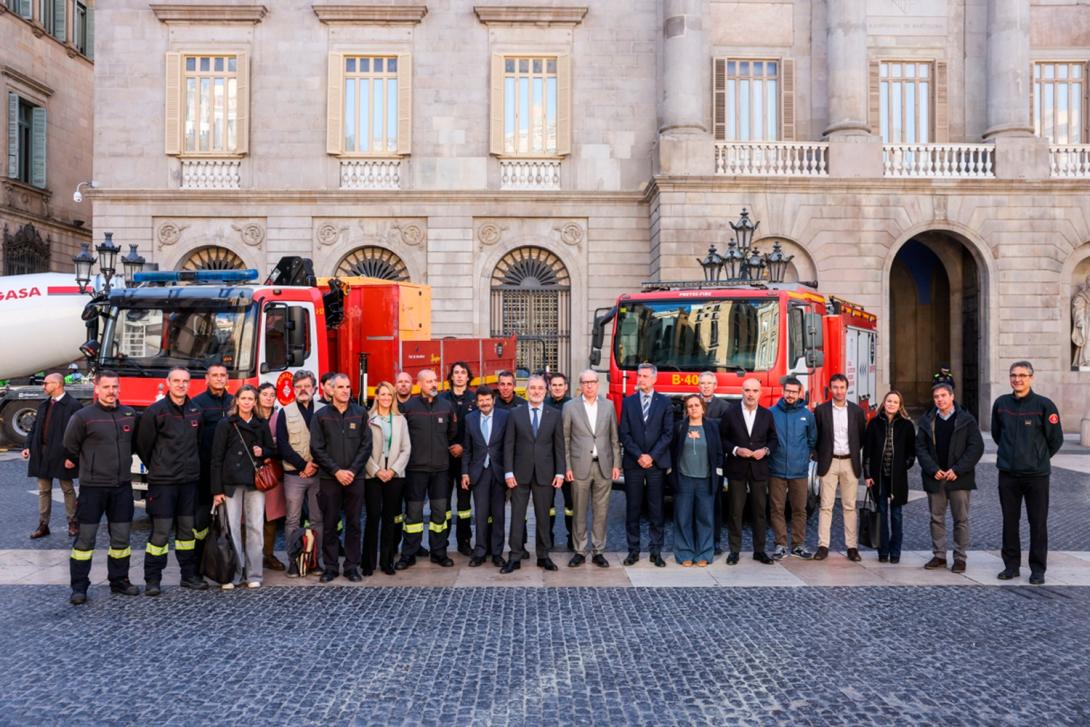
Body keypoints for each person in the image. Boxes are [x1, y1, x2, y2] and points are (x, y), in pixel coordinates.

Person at [63, 371, 140, 604]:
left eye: (115, 387)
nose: (111, 392)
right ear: (97, 389)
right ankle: (79, 586)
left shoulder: (129, 415)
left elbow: (135, 445)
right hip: (92, 489)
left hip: (122, 488)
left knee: (121, 539)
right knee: (85, 540)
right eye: (106, 387)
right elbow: (70, 446)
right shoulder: (83, 417)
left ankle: (119, 581)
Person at [135, 367, 208, 595]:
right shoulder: (155, 412)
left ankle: (188, 576)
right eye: (176, 381)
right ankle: (153, 579)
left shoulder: (196, 410)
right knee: (161, 531)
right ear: (168, 382)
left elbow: (200, 444)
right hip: (163, 482)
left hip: (188, 482)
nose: (181, 385)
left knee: (187, 532)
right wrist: (159, 465)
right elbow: (144, 446)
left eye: (185, 381)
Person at [991, 361, 1063, 585]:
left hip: (1036, 476)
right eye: (1014, 375)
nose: (1017, 379)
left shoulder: (1044, 405)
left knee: (1038, 522)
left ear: (1031, 378)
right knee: (1009, 522)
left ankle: (1038, 568)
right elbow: (996, 434)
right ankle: (1011, 566)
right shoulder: (1001, 404)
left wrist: (1037, 459)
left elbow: (1055, 439)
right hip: (1008, 474)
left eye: (1022, 375)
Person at [210, 385, 276, 589]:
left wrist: (262, 451)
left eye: (251, 399)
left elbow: (271, 451)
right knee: (232, 529)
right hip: (230, 482)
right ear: (237, 401)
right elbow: (216, 458)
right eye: (244, 398)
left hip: (255, 481)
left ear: (255, 403)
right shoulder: (225, 424)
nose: (247, 402)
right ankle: (234, 573)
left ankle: (254, 573)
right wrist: (217, 490)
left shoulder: (261, 424)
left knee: (255, 527)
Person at [309, 373, 371, 582]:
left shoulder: (361, 413)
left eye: (348, 386)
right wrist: (336, 471)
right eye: (340, 387)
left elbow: (366, 445)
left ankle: (352, 566)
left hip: (356, 478)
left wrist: (352, 471)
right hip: (329, 478)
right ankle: (331, 567)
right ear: (331, 390)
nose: (345, 390)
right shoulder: (321, 415)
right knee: (330, 524)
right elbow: (316, 448)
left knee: (354, 523)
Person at [915, 383, 984, 573]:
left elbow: (975, 448)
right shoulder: (927, 420)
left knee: (960, 519)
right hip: (935, 477)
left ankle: (960, 558)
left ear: (952, 396)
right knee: (936, 518)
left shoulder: (966, 420)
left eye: (943, 395)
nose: (940, 399)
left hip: (958, 478)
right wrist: (932, 469)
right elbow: (920, 448)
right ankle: (939, 556)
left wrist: (958, 470)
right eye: (936, 396)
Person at [501, 375, 565, 573]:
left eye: (540, 388)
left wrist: (560, 472)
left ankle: (543, 556)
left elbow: (559, 446)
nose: (536, 391)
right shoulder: (515, 414)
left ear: (545, 391)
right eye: (532, 388)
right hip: (519, 473)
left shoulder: (554, 414)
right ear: (526, 391)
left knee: (543, 516)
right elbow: (508, 445)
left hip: (545, 473)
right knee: (517, 516)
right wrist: (508, 472)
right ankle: (514, 556)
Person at [398, 369, 458, 569]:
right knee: (413, 514)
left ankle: (438, 552)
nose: (434, 384)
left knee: (439, 513)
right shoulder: (408, 408)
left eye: (435, 380)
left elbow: (451, 434)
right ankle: (409, 553)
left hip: (441, 470)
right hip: (415, 470)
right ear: (420, 383)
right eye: (429, 381)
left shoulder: (446, 406)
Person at [562, 370, 619, 568]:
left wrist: (616, 465)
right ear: (580, 384)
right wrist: (567, 466)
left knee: (601, 511)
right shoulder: (570, 407)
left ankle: (598, 551)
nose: (589, 385)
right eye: (585, 382)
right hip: (579, 467)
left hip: (603, 465)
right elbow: (566, 440)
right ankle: (579, 550)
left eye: (592, 382)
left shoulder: (608, 406)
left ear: (597, 383)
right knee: (579, 510)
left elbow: (614, 438)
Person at [619, 362, 673, 567]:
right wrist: (639, 455)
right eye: (639, 376)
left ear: (654, 378)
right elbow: (624, 432)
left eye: (645, 376)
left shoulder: (665, 403)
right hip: (634, 463)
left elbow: (668, 433)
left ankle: (656, 551)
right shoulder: (629, 402)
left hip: (656, 464)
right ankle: (633, 550)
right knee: (633, 508)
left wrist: (652, 456)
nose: (640, 379)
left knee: (656, 509)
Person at [721, 377, 778, 565]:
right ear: (741, 392)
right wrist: (736, 450)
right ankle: (734, 551)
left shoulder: (767, 414)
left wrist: (765, 450)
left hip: (759, 469)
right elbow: (723, 439)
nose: (750, 394)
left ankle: (759, 550)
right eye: (747, 390)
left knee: (760, 512)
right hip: (737, 468)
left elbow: (773, 439)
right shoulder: (730, 413)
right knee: (735, 512)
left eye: (754, 391)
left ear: (760, 393)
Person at [813, 373, 867, 562]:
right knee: (825, 506)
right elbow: (816, 437)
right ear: (830, 389)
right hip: (829, 461)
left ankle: (851, 547)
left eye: (842, 387)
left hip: (849, 462)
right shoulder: (821, 411)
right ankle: (822, 546)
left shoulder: (856, 412)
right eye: (835, 387)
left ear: (847, 388)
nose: (838, 391)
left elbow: (860, 437)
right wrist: (819, 456)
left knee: (850, 506)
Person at [276, 370, 324, 577]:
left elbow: (329, 442)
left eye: (307, 386)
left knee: (317, 520)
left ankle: (315, 561)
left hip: (320, 473)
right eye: (299, 387)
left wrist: (314, 465)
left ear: (314, 388)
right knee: (292, 521)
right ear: (293, 390)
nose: (303, 390)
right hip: (294, 476)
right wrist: (304, 465)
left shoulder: (324, 410)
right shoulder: (284, 412)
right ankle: (293, 562)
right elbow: (283, 445)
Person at [23, 372, 81, 539]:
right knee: (44, 490)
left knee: (67, 489)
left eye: (46, 383)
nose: (43, 386)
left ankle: (72, 523)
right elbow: (34, 429)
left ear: (56, 384)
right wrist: (27, 446)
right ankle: (43, 525)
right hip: (42, 454)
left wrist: (73, 458)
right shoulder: (44, 405)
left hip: (63, 456)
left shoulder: (73, 406)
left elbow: (78, 435)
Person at [863, 390, 917, 564]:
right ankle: (883, 550)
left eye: (895, 401)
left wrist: (904, 465)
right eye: (889, 401)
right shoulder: (874, 424)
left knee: (896, 515)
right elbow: (868, 452)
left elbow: (911, 452)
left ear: (900, 405)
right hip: (879, 477)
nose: (891, 404)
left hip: (897, 478)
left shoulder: (907, 425)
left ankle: (895, 551)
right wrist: (867, 474)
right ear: (884, 403)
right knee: (881, 513)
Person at [364, 381, 411, 576]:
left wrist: (392, 470)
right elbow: (363, 449)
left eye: (388, 395)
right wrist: (376, 470)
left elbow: (406, 448)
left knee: (390, 519)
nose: (385, 398)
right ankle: (367, 562)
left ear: (393, 398)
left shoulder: (400, 420)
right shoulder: (367, 419)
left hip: (394, 475)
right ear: (376, 397)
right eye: (382, 394)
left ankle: (387, 561)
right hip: (372, 475)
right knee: (373, 517)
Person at [768, 377, 816, 560]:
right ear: (783, 391)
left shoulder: (807, 415)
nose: (790, 395)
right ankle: (780, 544)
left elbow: (812, 440)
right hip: (776, 468)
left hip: (799, 470)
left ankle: (798, 545)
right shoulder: (772, 413)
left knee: (799, 509)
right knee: (777, 508)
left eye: (794, 392)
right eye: (788, 391)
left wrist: (804, 457)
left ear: (799, 393)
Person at [671, 395, 722, 567]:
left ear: (703, 408)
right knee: (683, 517)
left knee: (705, 518)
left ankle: (704, 553)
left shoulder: (712, 427)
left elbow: (719, 453)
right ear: (686, 410)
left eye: (696, 405)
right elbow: (672, 453)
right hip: (684, 479)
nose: (693, 408)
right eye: (690, 406)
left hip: (706, 480)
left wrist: (719, 474)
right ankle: (684, 552)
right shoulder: (678, 428)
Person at [461, 386, 509, 567]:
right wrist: (465, 472)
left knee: (499, 515)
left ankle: (497, 553)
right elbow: (467, 449)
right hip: (478, 473)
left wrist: (510, 471)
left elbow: (509, 445)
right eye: (481, 400)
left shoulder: (505, 417)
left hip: (499, 471)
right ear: (477, 402)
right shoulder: (470, 419)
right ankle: (480, 551)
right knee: (480, 514)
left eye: (487, 399)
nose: (485, 403)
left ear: (493, 400)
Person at [191, 364, 233, 569]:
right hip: (205, 471)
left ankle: (226, 561)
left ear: (227, 379)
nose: (219, 379)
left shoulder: (235, 402)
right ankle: (199, 563)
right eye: (214, 375)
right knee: (202, 519)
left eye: (222, 375)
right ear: (206, 378)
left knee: (229, 521)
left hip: (230, 472)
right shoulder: (197, 403)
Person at [440, 361, 475, 556]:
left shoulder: (474, 399)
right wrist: (449, 446)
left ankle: (464, 541)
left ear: (468, 377)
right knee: (443, 504)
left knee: (464, 506)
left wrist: (463, 446)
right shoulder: (442, 399)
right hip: (445, 458)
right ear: (451, 377)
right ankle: (442, 542)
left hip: (466, 460)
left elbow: (476, 428)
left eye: (463, 372)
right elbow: (436, 429)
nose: (460, 376)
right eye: (456, 373)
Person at [698, 371, 729, 556]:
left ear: (715, 385)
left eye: (709, 383)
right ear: (698, 385)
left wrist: (704, 422)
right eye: (702, 383)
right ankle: (697, 541)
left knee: (715, 505)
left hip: (715, 462)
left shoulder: (724, 407)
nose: (706, 386)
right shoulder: (691, 403)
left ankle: (715, 542)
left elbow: (724, 430)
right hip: (694, 462)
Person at [256, 382, 286, 570]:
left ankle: (268, 554)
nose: (268, 397)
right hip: (253, 473)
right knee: (249, 518)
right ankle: (249, 556)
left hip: (273, 473)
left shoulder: (279, 417)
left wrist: (269, 448)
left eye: (271, 394)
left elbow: (283, 445)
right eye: (265, 394)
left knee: (271, 517)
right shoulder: (252, 416)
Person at [545, 372, 575, 550]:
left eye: (560, 385)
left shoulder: (573, 405)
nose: (556, 388)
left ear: (566, 387)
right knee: (548, 505)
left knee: (571, 504)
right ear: (549, 387)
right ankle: (548, 537)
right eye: (553, 385)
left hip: (568, 461)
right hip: (548, 461)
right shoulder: (543, 403)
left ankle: (572, 538)